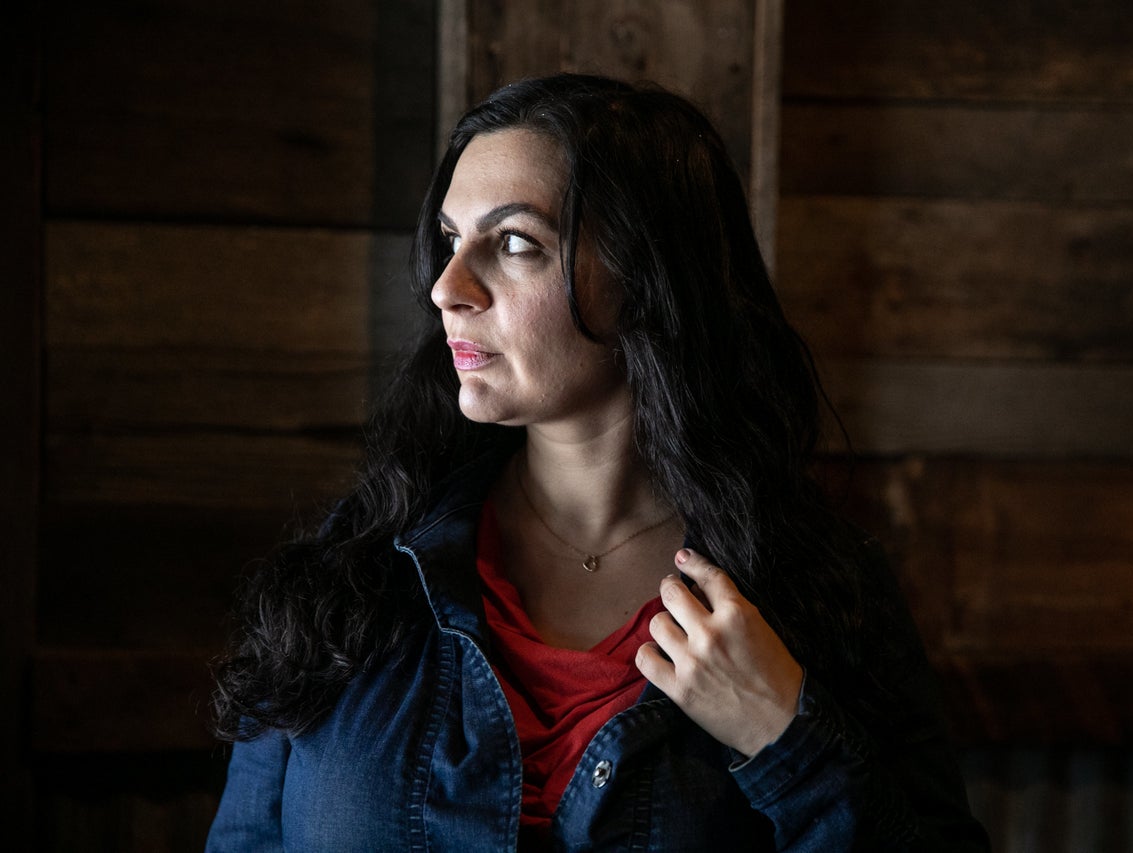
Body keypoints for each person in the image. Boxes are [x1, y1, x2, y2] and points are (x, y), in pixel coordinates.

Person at [205, 73, 989, 852]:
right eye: (450, 240)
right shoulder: (356, 574)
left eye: (514, 243)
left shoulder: (817, 595)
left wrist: (784, 737)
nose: (447, 287)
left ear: (646, 281)